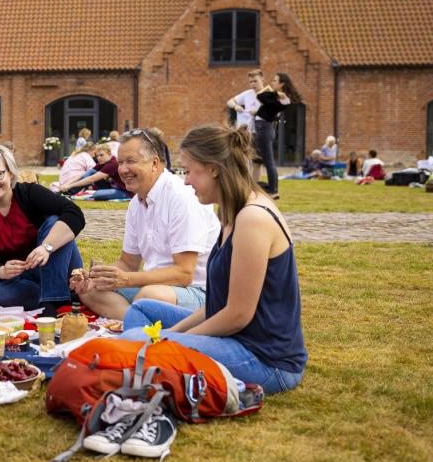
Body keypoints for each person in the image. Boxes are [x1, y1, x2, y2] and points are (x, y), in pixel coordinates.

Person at [119, 123, 307, 395]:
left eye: (190, 171)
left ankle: (150, 368)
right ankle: (153, 367)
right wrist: (170, 335)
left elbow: (237, 315)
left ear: (213, 169)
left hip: (266, 359)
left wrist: (174, 341)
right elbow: (218, 304)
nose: (186, 181)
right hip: (237, 338)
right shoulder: (232, 211)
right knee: (142, 310)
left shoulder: (252, 218)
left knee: (136, 340)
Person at [72, 128, 219, 319]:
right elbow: (128, 263)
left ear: (154, 163)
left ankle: (140, 319)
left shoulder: (181, 197)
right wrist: (98, 278)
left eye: (131, 161)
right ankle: (139, 320)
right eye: (121, 162)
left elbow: (184, 274)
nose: (123, 170)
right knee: (90, 291)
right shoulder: (137, 203)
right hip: (156, 287)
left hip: (198, 291)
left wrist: (126, 280)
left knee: (149, 297)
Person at [0, 145, 85, 315]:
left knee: (55, 222)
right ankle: (63, 295)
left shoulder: (30, 193)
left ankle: (51, 302)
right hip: (20, 280)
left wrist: (46, 247)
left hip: (55, 267)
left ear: (11, 173)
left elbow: (75, 214)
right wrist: (2, 270)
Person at [253, 72, 303, 199]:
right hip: (262, 128)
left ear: (282, 84)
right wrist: (275, 93)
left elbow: (263, 98)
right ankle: (260, 187)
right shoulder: (277, 96)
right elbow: (262, 96)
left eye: (275, 81)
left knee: (268, 161)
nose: (272, 82)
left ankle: (273, 190)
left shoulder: (284, 99)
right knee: (258, 159)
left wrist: (275, 94)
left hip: (264, 128)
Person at [58, 144, 131, 200]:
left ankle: (67, 192)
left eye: (101, 155)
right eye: (97, 156)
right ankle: (67, 192)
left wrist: (70, 186)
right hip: (114, 187)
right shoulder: (103, 162)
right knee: (91, 172)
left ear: (109, 154)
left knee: (97, 195)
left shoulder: (112, 164)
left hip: (125, 191)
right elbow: (86, 174)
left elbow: (92, 179)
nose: (99, 158)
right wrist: (67, 184)